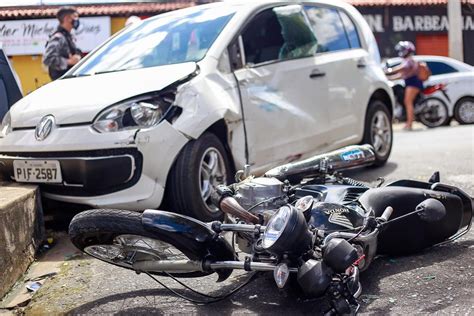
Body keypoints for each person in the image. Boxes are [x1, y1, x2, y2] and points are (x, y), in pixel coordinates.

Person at [385, 41, 423, 130]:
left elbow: (400, 69)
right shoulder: (408, 60)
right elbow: (401, 75)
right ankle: (409, 122)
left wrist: (388, 71)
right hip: (411, 83)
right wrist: (389, 78)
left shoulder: (409, 60)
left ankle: (409, 123)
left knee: (408, 102)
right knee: (407, 102)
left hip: (413, 83)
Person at [43, 6, 82, 80]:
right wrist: (69, 61)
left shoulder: (67, 36)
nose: (77, 20)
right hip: (62, 82)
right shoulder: (58, 37)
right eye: (75, 17)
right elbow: (47, 59)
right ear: (67, 18)